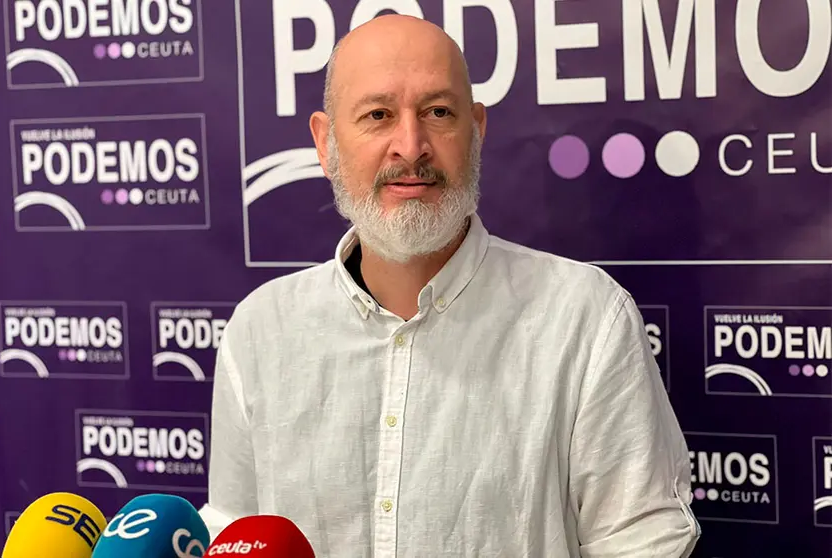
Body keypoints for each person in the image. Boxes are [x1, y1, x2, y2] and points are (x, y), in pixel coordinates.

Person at [199, 14, 700, 557]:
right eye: (378, 115)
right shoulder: (261, 330)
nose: (410, 146)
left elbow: (643, 544)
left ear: (476, 131)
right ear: (326, 143)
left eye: (438, 112)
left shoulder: (586, 318)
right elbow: (233, 532)